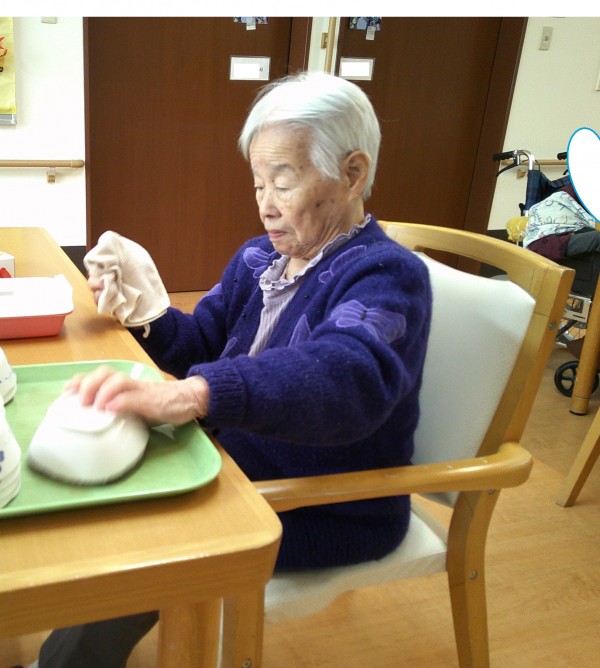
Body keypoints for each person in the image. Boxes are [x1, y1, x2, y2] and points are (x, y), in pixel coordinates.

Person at [27, 71, 432, 668]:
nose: (265, 204)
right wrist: (148, 314)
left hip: (327, 503)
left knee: (146, 535)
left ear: (352, 174)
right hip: (236, 460)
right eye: (258, 183)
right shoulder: (260, 257)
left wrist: (195, 394)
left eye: (283, 182)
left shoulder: (387, 275)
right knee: (101, 483)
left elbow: (346, 376)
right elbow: (201, 343)